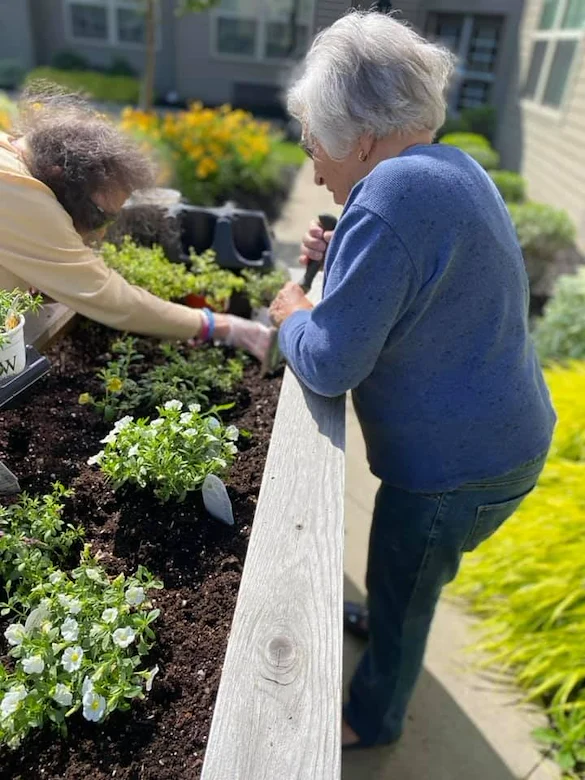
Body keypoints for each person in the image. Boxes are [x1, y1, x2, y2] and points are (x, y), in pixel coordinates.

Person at [270, 11, 556, 750]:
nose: (314, 172)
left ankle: (371, 721)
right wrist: (346, 247)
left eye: (314, 147)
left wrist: (292, 312)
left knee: (406, 597)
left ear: (356, 136)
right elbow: (420, 274)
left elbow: (330, 363)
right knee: (404, 575)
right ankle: (386, 611)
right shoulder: (445, 168)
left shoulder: (392, 197)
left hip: (451, 473)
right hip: (502, 444)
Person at [0, 85, 271, 361]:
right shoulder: (22, 192)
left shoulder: (11, 153)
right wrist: (220, 325)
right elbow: (109, 297)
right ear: (59, 174)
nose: (101, 233)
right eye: (97, 216)